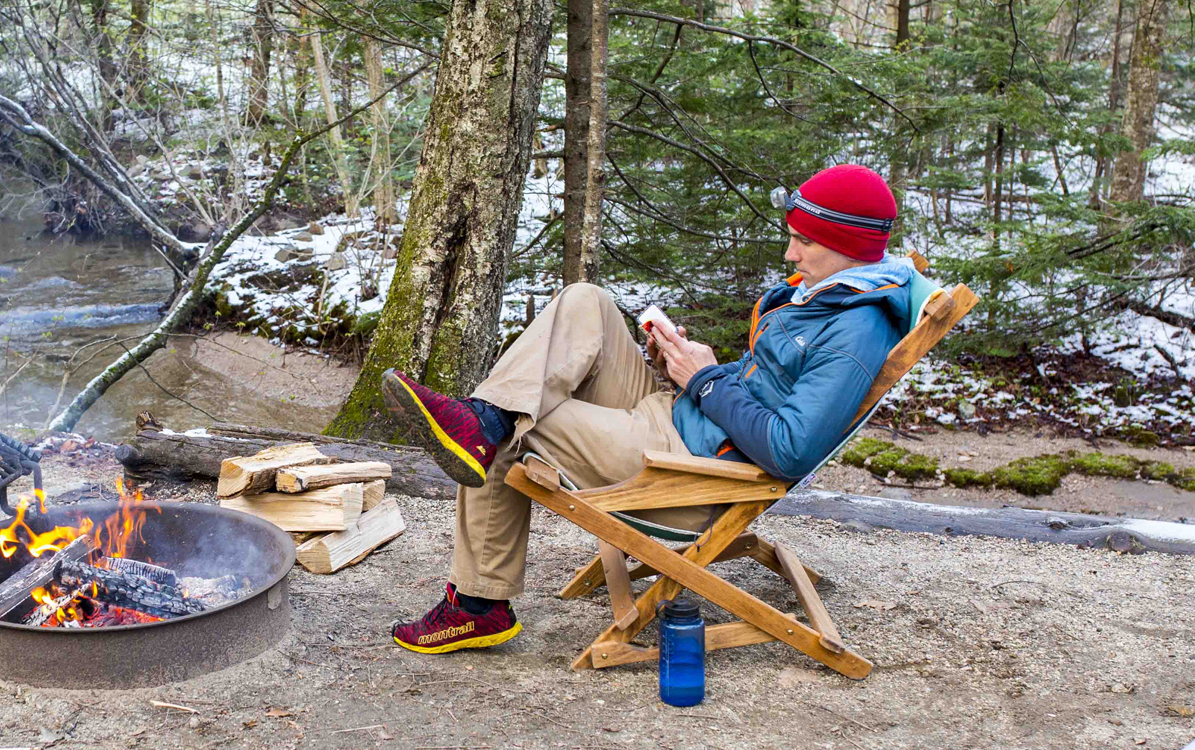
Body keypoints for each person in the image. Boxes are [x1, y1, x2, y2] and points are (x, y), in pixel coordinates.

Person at [379, 164, 916, 654]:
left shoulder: (854, 330)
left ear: (847, 245)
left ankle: (478, 605)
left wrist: (702, 380)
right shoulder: (833, 292)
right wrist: (688, 364)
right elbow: (768, 386)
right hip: (682, 418)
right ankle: (481, 421)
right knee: (584, 301)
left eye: (803, 241)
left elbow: (789, 449)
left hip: (694, 473)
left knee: (519, 420)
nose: (790, 254)